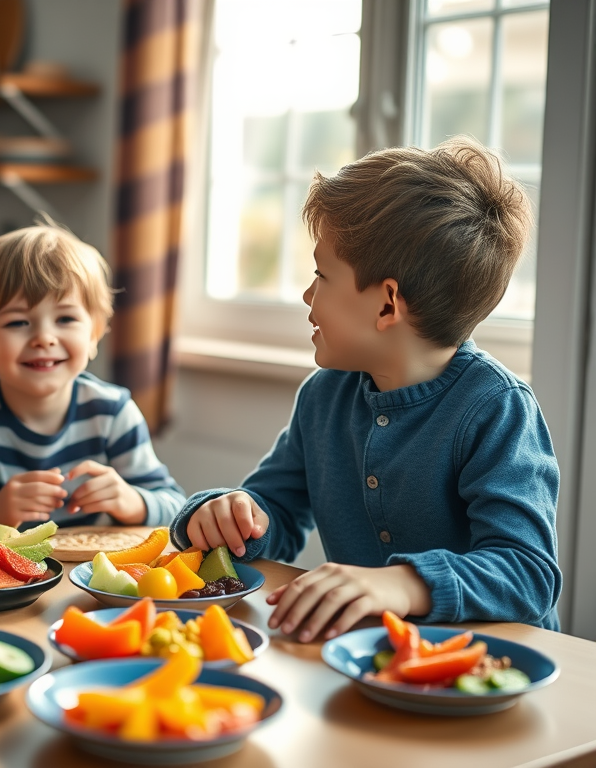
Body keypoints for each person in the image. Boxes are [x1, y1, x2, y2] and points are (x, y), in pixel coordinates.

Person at [170, 136, 561, 639]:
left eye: (321, 274)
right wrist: (227, 513)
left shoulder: (497, 410)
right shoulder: (324, 396)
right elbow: (277, 514)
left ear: (386, 305)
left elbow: (527, 575)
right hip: (371, 658)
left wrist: (400, 585)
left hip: (489, 666)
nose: (307, 295)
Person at [0, 224, 185, 531]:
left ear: (94, 334)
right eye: (18, 322)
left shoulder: (112, 412)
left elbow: (176, 506)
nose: (44, 338)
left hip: (89, 574)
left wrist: (132, 501)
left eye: (66, 319)